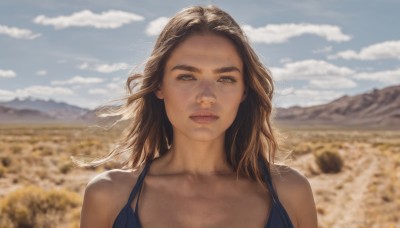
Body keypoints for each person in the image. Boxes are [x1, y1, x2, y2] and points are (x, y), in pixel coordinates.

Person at [80, 5, 318, 228]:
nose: (206, 97)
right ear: (159, 86)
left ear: (244, 91)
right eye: (187, 76)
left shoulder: (290, 192)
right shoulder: (108, 196)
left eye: (225, 79)